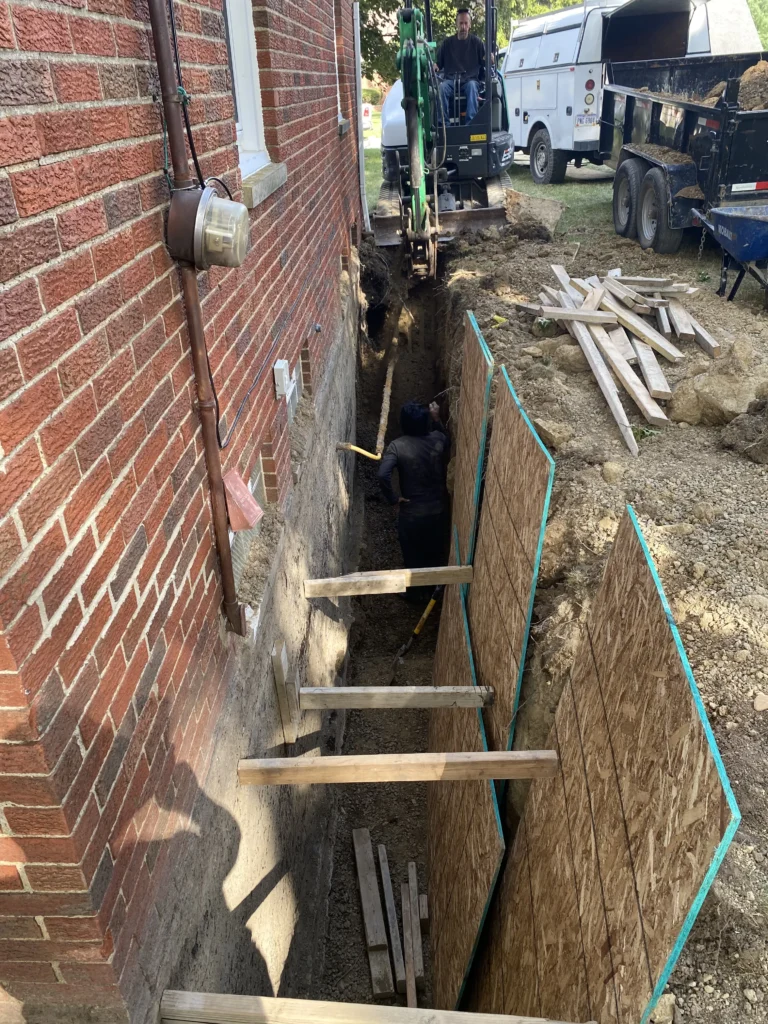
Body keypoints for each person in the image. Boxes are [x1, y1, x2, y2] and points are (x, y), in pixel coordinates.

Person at [378, 400, 448, 599]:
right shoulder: (438, 439)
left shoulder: (397, 446)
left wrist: (393, 498)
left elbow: (383, 474)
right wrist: (436, 420)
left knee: (413, 553)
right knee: (433, 550)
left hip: (412, 514)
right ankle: (434, 589)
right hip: (438, 510)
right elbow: (446, 439)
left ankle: (416, 593)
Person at [435, 8, 485, 123]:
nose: (463, 27)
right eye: (461, 23)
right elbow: (438, 63)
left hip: (470, 80)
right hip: (451, 80)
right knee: (442, 88)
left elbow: (485, 61)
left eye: (465, 23)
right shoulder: (447, 44)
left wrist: (490, 59)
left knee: (472, 87)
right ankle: (444, 124)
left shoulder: (477, 43)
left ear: (469, 25)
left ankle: (470, 123)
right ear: (457, 25)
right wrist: (435, 65)